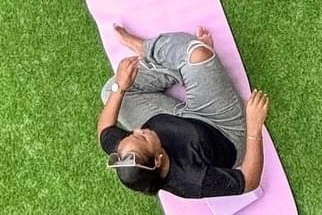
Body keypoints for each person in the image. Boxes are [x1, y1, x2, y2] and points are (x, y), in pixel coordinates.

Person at [96, 24, 269, 199]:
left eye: (131, 135)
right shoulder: (191, 181)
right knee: (198, 53)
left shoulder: (126, 155)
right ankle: (176, 62)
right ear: (157, 160)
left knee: (110, 92)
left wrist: (121, 87)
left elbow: (104, 132)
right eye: (141, 137)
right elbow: (249, 181)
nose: (137, 130)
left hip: (174, 120)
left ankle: (159, 57)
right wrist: (254, 129)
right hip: (223, 128)